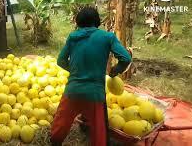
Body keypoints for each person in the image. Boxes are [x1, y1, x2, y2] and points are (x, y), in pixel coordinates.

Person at [50, 7, 132, 146]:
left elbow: (61, 61)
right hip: (95, 94)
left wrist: (76, 70)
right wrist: (116, 70)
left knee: (60, 124)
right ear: (97, 22)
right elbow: (125, 58)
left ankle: (54, 142)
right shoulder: (107, 37)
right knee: (99, 131)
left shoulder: (73, 37)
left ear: (79, 22)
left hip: (73, 91)